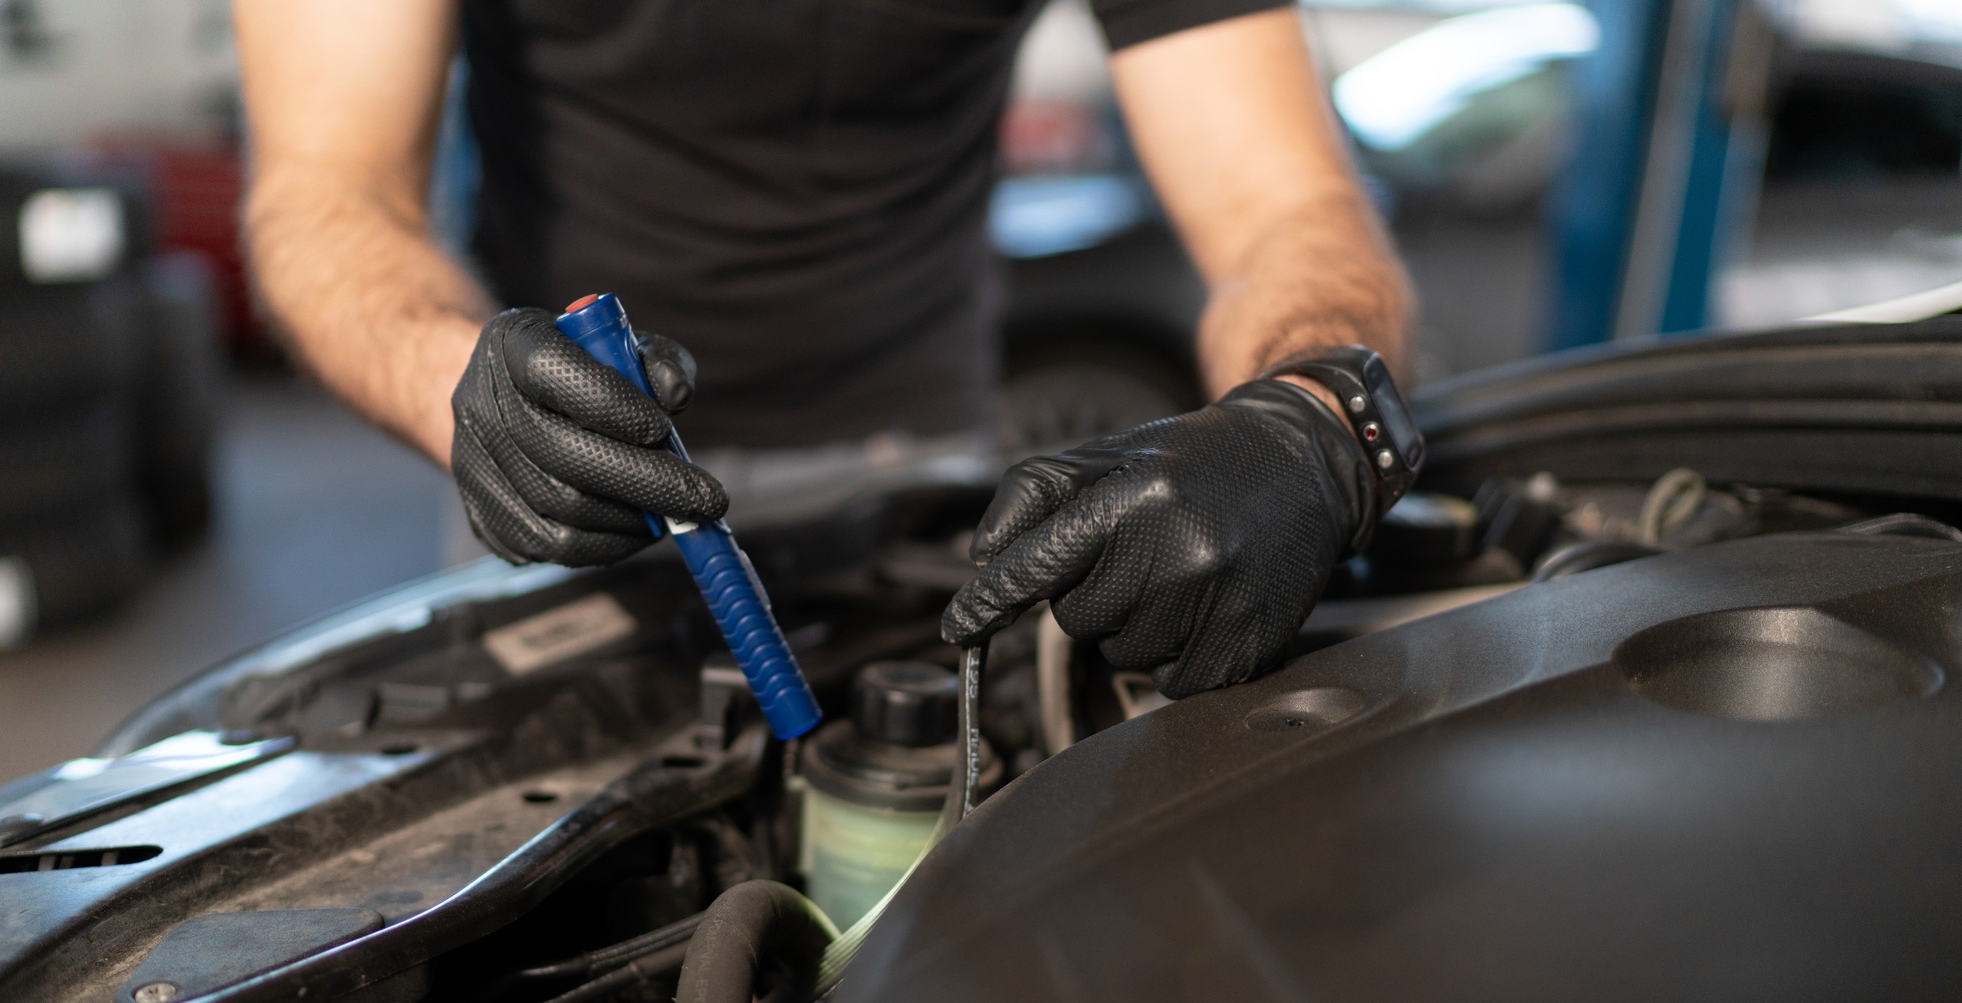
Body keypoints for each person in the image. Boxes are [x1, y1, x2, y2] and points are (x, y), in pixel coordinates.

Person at [234, 0, 1414, 698]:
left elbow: (1285, 209)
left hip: (920, 471)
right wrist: (456, 383)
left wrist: (1305, 411)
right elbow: (325, 195)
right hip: (555, 473)